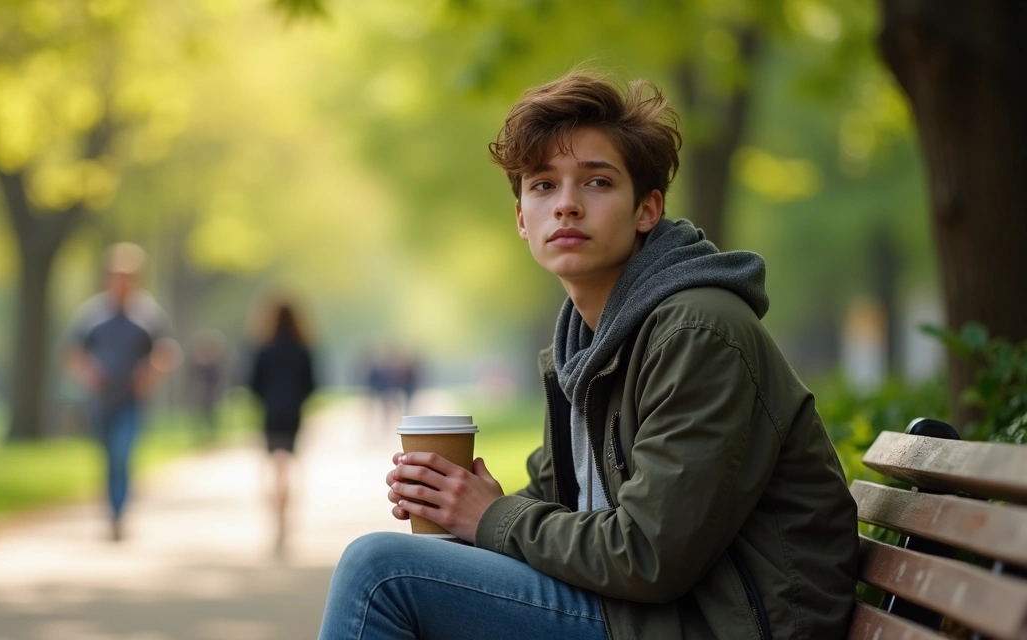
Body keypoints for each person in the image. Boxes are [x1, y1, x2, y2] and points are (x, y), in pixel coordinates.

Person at [318, 72, 858, 639]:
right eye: (544, 186)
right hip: (654, 615)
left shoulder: (698, 331)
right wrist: (459, 502)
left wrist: (490, 517)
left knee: (379, 573)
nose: (567, 206)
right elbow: (557, 499)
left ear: (647, 210)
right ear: (522, 219)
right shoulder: (584, 343)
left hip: (722, 626)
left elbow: (649, 554)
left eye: (597, 183)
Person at [65, 242, 177, 542]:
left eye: (127, 275)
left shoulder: (148, 315)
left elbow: (166, 352)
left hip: (131, 401)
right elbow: (73, 353)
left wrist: (150, 372)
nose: (121, 281)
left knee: (122, 453)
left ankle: (118, 514)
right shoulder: (92, 314)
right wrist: (89, 373)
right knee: (108, 458)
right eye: (116, 274)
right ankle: (111, 509)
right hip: (101, 401)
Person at [249, 300, 318, 558]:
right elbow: (312, 384)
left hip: (271, 414)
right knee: (288, 467)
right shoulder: (303, 350)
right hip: (293, 415)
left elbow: (253, 384)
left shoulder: (264, 350)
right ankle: (285, 516)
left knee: (275, 467)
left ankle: (276, 517)